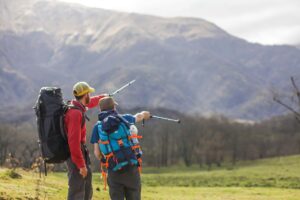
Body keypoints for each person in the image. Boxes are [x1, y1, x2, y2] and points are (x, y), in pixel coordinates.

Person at [90, 97, 150, 200]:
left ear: (100, 110)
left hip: (113, 168)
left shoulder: (98, 127)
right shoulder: (124, 118)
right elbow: (138, 117)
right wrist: (145, 114)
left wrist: (104, 160)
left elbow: (97, 152)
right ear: (114, 107)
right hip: (131, 166)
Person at [64, 81, 107, 200]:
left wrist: (104, 97)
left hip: (80, 152)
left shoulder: (76, 106)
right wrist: (81, 165)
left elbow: (91, 102)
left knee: (87, 187)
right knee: (77, 190)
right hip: (75, 154)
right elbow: (74, 143)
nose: (90, 96)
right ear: (86, 95)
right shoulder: (75, 113)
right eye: (89, 93)